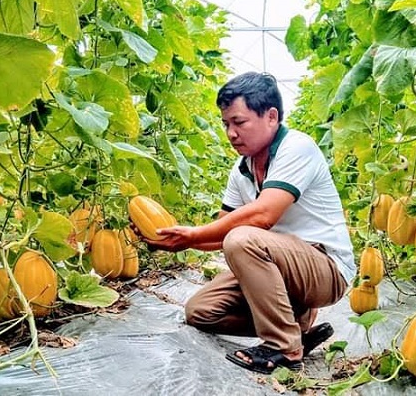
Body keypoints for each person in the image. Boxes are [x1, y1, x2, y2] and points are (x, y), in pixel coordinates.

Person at [134, 72, 355, 374]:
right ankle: (295, 329)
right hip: (275, 263)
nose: (231, 133)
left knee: (242, 239)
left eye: (239, 122)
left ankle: (283, 348)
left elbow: (263, 215)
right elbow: (220, 230)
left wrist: (193, 235)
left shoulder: (297, 147)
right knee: (199, 312)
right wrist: (177, 241)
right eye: (226, 124)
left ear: (271, 116)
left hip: (325, 269)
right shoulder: (242, 170)